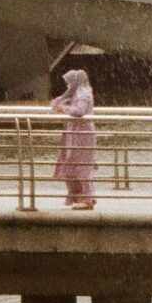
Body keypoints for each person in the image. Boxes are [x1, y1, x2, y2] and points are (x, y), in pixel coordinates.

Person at [51, 69, 97, 209]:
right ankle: (80, 196)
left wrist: (63, 108)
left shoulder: (83, 94)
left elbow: (79, 111)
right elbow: (54, 106)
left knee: (82, 165)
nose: (68, 86)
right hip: (76, 133)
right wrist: (62, 101)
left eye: (69, 83)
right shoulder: (77, 93)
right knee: (72, 164)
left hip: (83, 134)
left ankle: (87, 198)